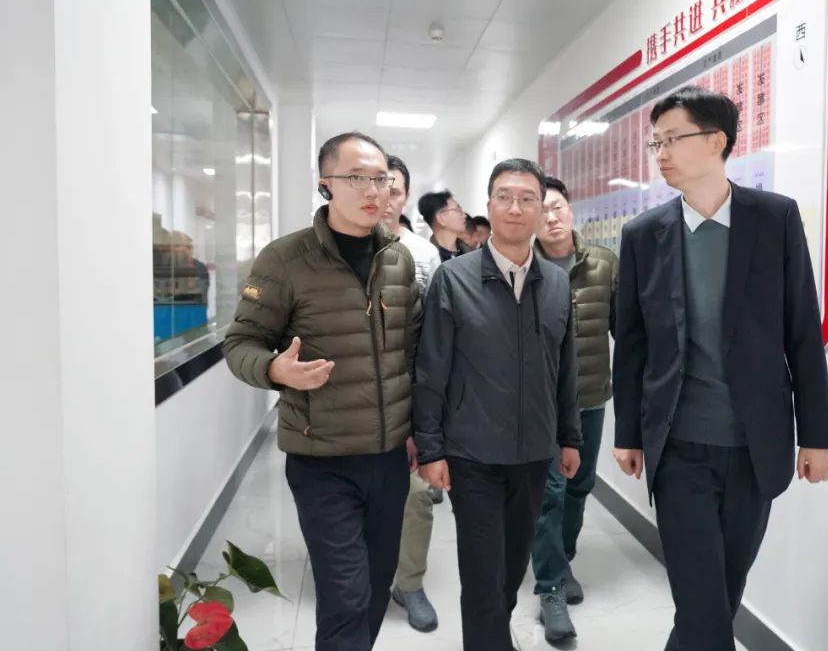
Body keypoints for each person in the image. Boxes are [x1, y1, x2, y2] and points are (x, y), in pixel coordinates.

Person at [612, 87, 828, 651]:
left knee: (721, 595)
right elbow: (632, 344)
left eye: (672, 139)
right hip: (678, 445)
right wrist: (628, 434)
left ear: (717, 141)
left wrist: (817, 436)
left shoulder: (774, 218)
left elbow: (801, 333)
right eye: (656, 142)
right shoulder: (643, 235)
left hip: (754, 445)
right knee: (701, 602)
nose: (660, 153)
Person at [223, 131, 422, 651]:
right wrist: (274, 370)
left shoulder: (399, 260)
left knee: (375, 588)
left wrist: (421, 433)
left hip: (389, 460)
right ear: (325, 183)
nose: (372, 190)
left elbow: (413, 354)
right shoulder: (286, 260)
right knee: (345, 594)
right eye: (356, 177)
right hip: (322, 460)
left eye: (380, 178)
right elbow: (240, 343)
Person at [413, 158, 582, 651]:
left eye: (527, 198)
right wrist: (431, 449)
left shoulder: (556, 283)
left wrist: (569, 437)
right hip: (473, 454)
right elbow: (431, 369)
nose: (515, 208)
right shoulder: (454, 279)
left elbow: (565, 369)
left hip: (533, 455)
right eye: (504, 197)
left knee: (510, 572)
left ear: (540, 209)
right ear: (487, 206)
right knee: (483, 578)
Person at [529, 176, 617, 643]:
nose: (551, 217)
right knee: (550, 491)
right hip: (541, 403)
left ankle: (561, 559)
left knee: (579, 485)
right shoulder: (523, 267)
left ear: (571, 208)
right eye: (541, 210)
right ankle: (550, 588)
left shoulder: (603, 264)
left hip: (590, 397)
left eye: (557, 206)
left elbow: (627, 330)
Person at [381, 154, 442, 633]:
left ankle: (410, 582)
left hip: (408, 394)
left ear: (404, 197)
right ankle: (361, 578)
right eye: (374, 183)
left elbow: (434, 336)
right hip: (353, 404)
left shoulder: (423, 254)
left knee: (417, 495)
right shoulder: (332, 250)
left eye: (394, 188)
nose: (384, 196)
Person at [417, 189, 471, 262]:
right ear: (441, 218)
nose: (464, 215)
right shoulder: (426, 259)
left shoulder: (470, 253)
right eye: (458, 210)